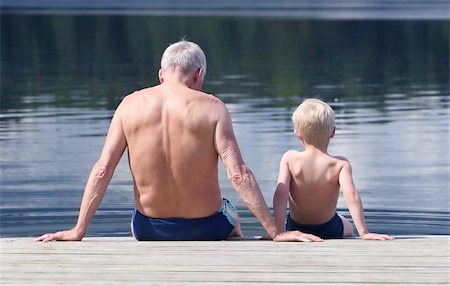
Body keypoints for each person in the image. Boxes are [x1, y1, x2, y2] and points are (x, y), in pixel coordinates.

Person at [36, 40, 322, 242]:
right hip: (208, 227)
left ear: (161, 75)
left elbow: (102, 170)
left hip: (147, 228)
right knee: (231, 213)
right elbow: (238, 174)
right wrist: (277, 232)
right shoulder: (212, 107)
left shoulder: (129, 105)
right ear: (198, 75)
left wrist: (78, 230)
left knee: (136, 215)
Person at [273, 98, 394, 240]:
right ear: (333, 132)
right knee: (347, 224)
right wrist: (364, 232)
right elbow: (351, 195)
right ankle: (359, 232)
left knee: (338, 219)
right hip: (329, 228)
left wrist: (279, 231)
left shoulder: (290, 159)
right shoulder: (340, 164)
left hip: (295, 227)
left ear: (297, 133)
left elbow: (280, 194)